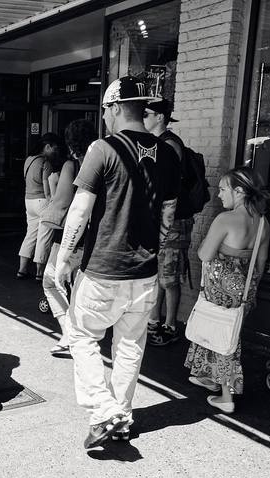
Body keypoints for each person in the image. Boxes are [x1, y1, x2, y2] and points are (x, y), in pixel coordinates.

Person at [53, 76, 180, 448]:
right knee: (129, 345)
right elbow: (168, 216)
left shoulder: (103, 149)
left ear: (115, 108)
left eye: (105, 110)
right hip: (144, 273)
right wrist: (152, 251)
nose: (105, 117)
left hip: (103, 268)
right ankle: (121, 418)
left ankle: (105, 410)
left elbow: (80, 209)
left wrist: (63, 258)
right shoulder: (169, 154)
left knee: (81, 336)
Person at [184, 167, 269, 414]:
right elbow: (260, 264)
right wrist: (249, 293)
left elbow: (204, 254)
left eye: (223, 189)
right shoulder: (263, 223)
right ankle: (210, 378)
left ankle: (226, 396)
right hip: (243, 292)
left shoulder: (225, 219)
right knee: (228, 336)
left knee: (218, 337)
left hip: (219, 290)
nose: (219, 195)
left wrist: (218, 245)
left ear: (239, 191)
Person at [42, 120, 98, 357]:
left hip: (70, 234)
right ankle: (75, 334)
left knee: (51, 281)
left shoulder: (71, 165)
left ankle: (70, 333)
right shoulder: (102, 163)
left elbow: (63, 201)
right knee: (76, 286)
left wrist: (48, 210)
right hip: (94, 234)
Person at [143, 99, 190, 347]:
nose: (143, 118)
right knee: (159, 273)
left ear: (160, 117)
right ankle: (154, 320)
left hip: (175, 220)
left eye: (147, 114)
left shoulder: (170, 145)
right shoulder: (157, 144)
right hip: (162, 219)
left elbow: (164, 185)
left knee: (169, 277)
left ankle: (170, 325)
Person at [17, 133, 57, 281]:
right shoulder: (45, 163)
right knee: (44, 237)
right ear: (47, 146)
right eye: (54, 148)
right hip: (42, 201)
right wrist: (52, 203)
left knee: (30, 235)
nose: (55, 151)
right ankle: (39, 272)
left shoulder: (28, 160)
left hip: (29, 200)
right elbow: (47, 189)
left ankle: (22, 269)